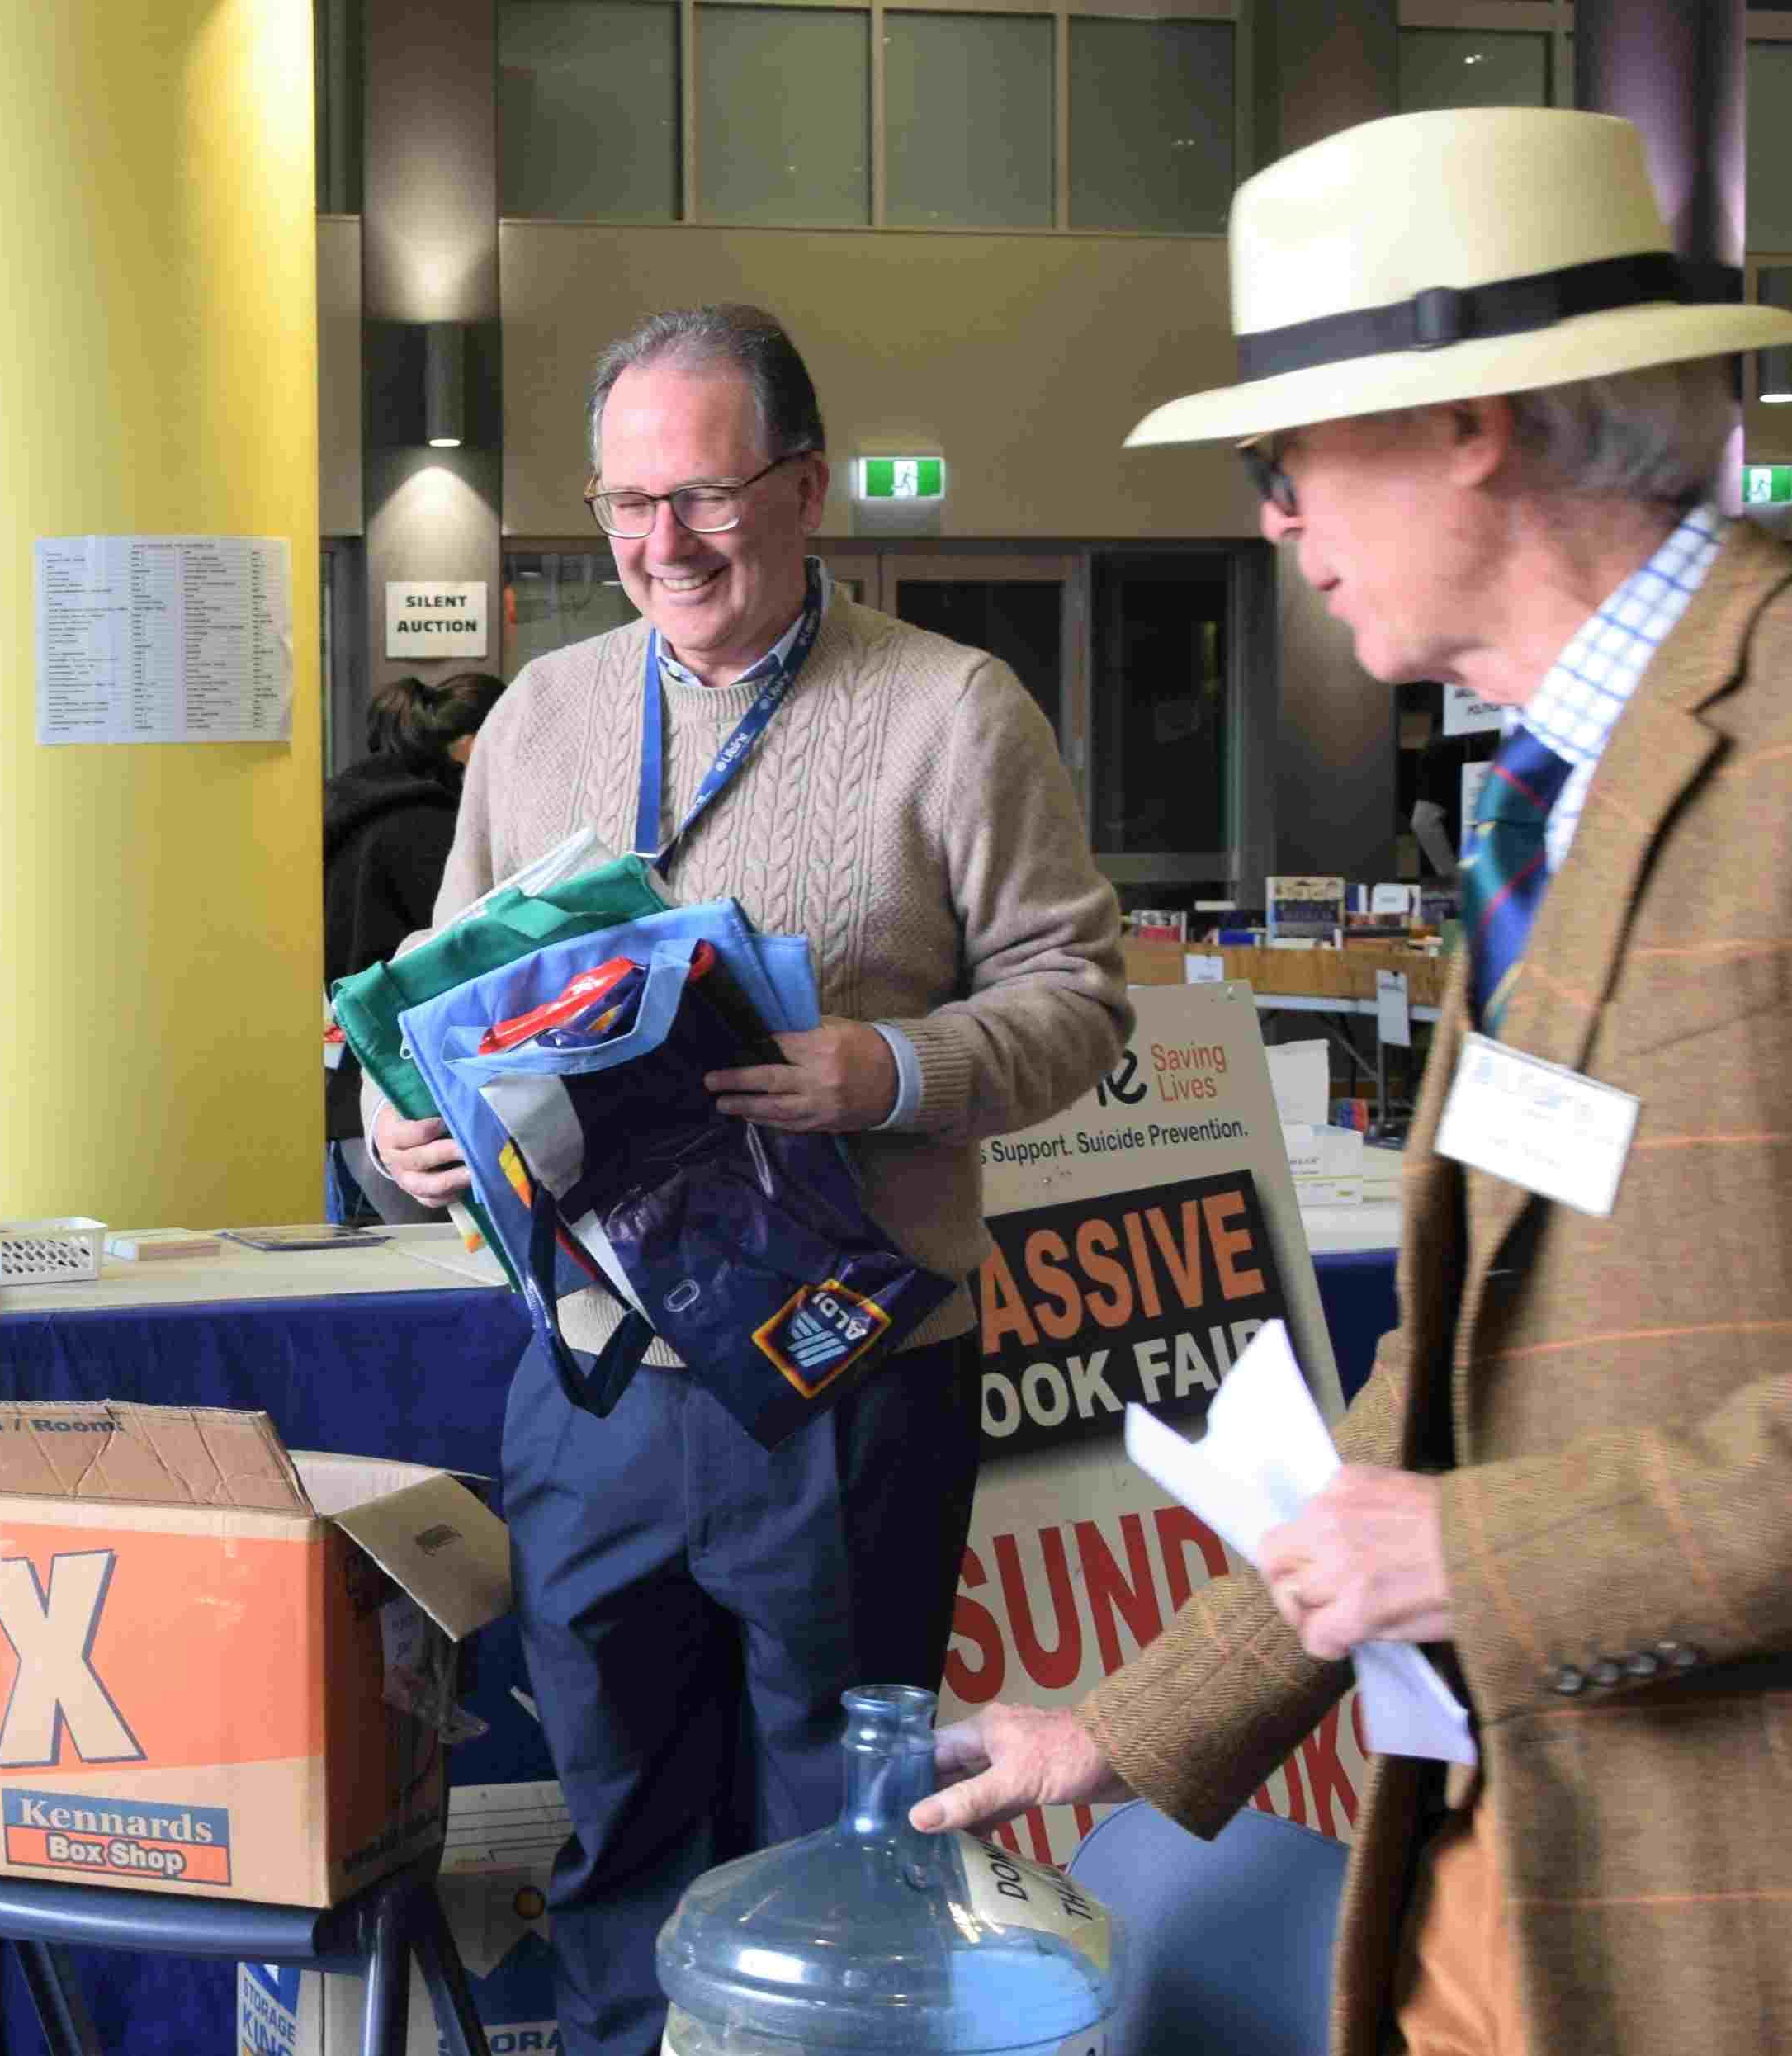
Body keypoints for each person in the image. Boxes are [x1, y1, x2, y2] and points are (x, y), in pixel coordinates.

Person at [913, 109, 1792, 2056]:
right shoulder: (1555, 793)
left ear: (1463, 423)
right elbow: (1444, 1392)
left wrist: (1476, 1557)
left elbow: (1451, 1510)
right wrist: (1118, 1723)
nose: (1272, 525)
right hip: (1521, 1865)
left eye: (1278, 460)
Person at [364, 305, 1127, 2056]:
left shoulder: (951, 711)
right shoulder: (538, 717)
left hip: (843, 1380)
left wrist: (890, 1067)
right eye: (623, 506)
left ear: (803, 486)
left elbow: (1076, 1001)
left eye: (700, 498)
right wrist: (409, 1139)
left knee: (831, 1843)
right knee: (616, 1828)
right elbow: (437, 1013)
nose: (659, 546)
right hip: (593, 1388)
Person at [324, 670, 504, 1225]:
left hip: (344, 1106)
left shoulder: (343, 815)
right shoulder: (432, 835)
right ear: (472, 747)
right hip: (409, 1114)